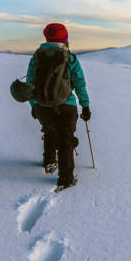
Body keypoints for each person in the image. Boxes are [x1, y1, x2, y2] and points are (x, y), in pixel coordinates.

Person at [26, 23, 91, 190]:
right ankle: (66, 179)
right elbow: (79, 84)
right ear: (65, 39)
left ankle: (49, 161)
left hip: (42, 106)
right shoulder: (70, 58)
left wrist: (34, 105)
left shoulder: (36, 58)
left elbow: (30, 84)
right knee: (65, 140)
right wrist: (85, 106)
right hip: (66, 106)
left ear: (46, 37)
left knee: (49, 130)